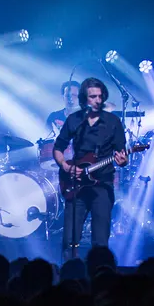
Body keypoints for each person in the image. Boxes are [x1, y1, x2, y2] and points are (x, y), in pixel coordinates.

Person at [53, 78, 128, 259]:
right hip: (76, 185)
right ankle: (69, 271)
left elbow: (122, 155)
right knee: (69, 240)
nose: (97, 100)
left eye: (100, 96)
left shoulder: (113, 122)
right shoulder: (74, 120)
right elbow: (58, 148)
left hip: (102, 185)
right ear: (83, 99)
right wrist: (65, 166)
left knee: (100, 242)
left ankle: (99, 273)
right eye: (92, 97)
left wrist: (122, 161)